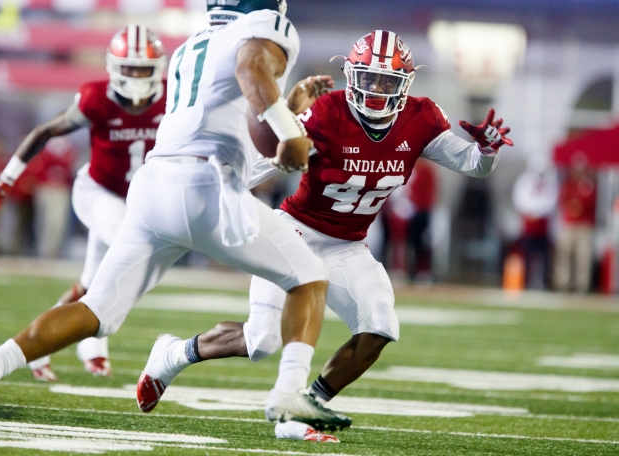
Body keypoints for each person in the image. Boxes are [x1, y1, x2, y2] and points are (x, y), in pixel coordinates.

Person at [0, 0, 352, 438]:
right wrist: (287, 127)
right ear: (266, 3)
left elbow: (249, 128)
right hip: (206, 187)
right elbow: (250, 67)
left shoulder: (190, 48)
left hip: (154, 186)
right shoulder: (265, 30)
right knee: (308, 276)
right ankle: (289, 390)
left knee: (96, 309)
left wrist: (288, 115)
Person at [139, 30, 513, 442]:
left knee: (379, 327)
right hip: (294, 232)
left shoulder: (421, 118)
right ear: (352, 76)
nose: (376, 91)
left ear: (404, 84)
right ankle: (173, 355)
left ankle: (303, 410)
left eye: (387, 82)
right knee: (263, 339)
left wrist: (487, 150)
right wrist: (213, 188)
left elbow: (472, 165)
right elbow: (259, 167)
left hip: (348, 243)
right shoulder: (324, 113)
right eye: (368, 80)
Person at [0, 24, 168, 381]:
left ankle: (44, 349)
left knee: (92, 282)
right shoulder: (95, 98)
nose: (135, 76)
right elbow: (45, 131)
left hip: (135, 200)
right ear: (114, 67)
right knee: (128, 252)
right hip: (97, 192)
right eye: (128, 67)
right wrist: (7, 177)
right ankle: (93, 344)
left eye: (143, 69)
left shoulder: (171, 98)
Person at [511, 154, 558, 289]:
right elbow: (520, 199)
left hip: (543, 225)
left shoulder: (549, 182)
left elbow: (551, 200)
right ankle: (524, 282)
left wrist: (539, 211)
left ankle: (543, 282)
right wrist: (532, 211)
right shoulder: (524, 181)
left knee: (545, 256)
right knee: (526, 254)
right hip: (529, 224)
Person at [553, 157, 597, 293]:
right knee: (564, 254)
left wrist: (577, 205)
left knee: (583, 256)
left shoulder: (588, 184)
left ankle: (581, 284)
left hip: (584, 225)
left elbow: (588, 201)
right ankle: (563, 282)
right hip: (569, 223)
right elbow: (563, 200)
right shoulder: (568, 184)